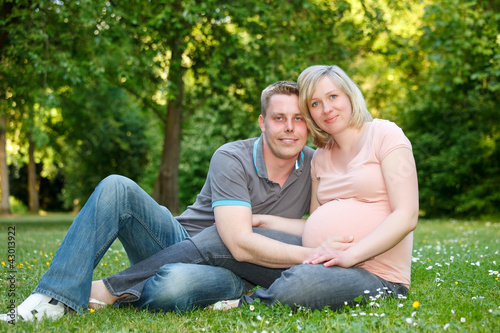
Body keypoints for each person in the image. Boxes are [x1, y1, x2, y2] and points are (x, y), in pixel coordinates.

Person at [92, 64, 418, 312]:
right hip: (320, 256)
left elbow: (406, 215)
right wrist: (263, 222)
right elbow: (312, 225)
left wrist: (348, 256)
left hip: (373, 272)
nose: (326, 109)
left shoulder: (386, 135)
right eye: (315, 103)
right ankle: (108, 289)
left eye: (333, 97)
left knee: (301, 284)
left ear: (350, 96)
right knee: (224, 234)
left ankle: (243, 302)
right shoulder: (321, 157)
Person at [1, 80, 328, 322]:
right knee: (118, 187)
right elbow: (238, 242)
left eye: (298, 119)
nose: (289, 128)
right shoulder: (232, 157)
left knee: (175, 285)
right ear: (262, 122)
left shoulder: (316, 166)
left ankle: (114, 292)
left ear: (309, 125)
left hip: (235, 276)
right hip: (178, 242)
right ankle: (54, 297)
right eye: (279, 118)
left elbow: (315, 226)